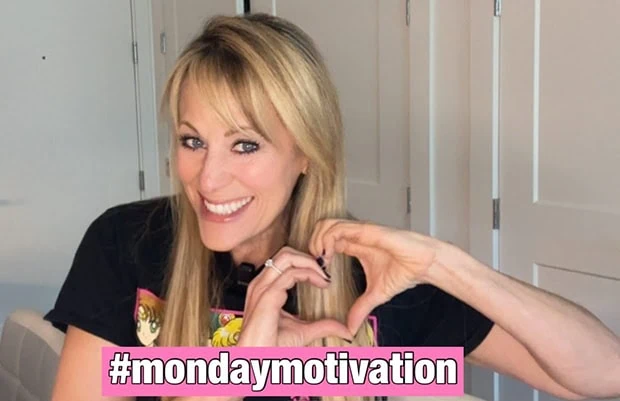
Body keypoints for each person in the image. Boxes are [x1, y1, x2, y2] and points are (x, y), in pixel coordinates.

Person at [44, 13, 619, 401]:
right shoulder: (127, 244)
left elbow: (605, 375)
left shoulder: (375, 280)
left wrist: (444, 264)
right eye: (193, 141)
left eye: (246, 145)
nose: (208, 179)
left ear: (305, 153)